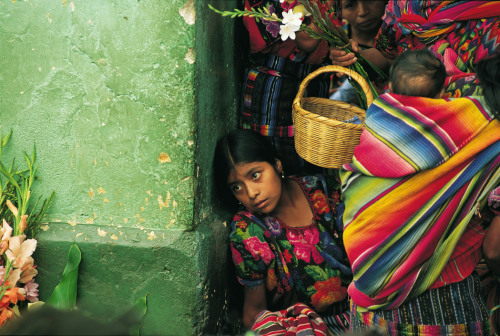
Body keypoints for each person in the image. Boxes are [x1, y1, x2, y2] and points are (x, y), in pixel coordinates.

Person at [338, 51, 500, 335]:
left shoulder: (373, 127)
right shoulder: (481, 131)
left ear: (390, 87)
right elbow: (494, 249)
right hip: (448, 297)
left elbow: (353, 184)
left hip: (372, 296)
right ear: (442, 91)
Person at [213, 129, 352, 334]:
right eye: (237, 187)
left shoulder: (323, 188)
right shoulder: (249, 230)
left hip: (361, 311)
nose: (251, 193)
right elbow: (255, 312)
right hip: (307, 326)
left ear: (277, 164)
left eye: (255, 175)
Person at [329, 0, 500, 98]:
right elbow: (387, 57)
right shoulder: (400, 6)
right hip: (407, 122)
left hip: (473, 128)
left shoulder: (491, 11)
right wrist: (354, 56)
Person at [241, 0, 336, 174]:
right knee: (281, 168)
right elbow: (307, 36)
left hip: (306, 77)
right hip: (278, 88)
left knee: (307, 163)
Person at [329, 0, 387, 104]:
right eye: (350, 5)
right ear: (339, 11)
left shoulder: (403, 36)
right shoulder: (334, 42)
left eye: (368, 1)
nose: (362, 12)